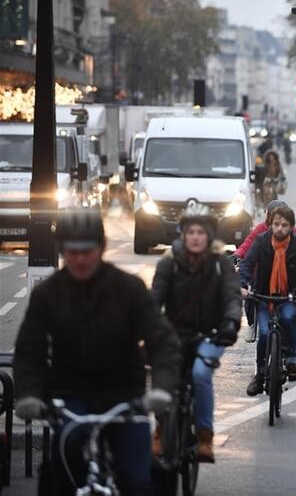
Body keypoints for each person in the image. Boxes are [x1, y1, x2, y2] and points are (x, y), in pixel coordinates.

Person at [14, 210, 180, 495]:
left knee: (136, 479)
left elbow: (161, 340)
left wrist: (162, 389)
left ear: (101, 248)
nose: (79, 259)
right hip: (70, 398)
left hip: (124, 398)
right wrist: (29, 394)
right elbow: (30, 350)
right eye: (72, 251)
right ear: (62, 250)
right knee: (62, 475)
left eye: (87, 251)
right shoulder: (48, 295)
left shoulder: (129, 289)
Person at [151, 203, 242, 462]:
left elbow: (232, 297)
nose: (195, 237)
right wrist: (149, 326)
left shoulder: (221, 264)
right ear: (183, 235)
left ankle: (204, 436)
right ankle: (160, 427)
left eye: (201, 233)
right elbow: (154, 299)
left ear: (210, 235)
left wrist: (230, 323)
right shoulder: (169, 263)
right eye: (190, 232)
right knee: (165, 374)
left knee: (201, 374)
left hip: (211, 334)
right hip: (174, 334)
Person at [240, 206, 296, 395]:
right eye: (276, 224)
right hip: (263, 296)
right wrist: (242, 285)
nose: (280, 228)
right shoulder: (260, 242)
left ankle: (291, 360)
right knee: (265, 333)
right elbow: (247, 264)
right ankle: (259, 375)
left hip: (288, 296)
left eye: (284, 225)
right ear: (270, 225)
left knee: (289, 317)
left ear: (291, 227)